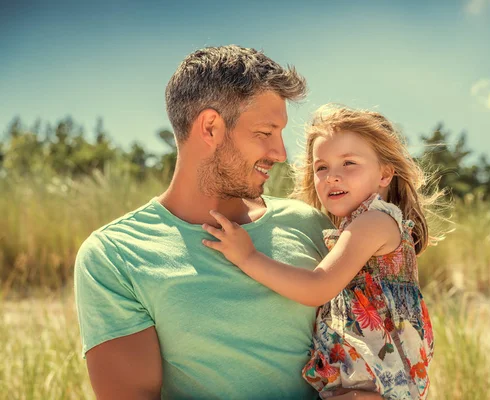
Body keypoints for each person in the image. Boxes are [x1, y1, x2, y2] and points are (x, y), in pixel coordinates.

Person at [74, 46, 382, 399]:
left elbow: (373, 344)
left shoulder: (309, 225)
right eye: (265, 133)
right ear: (210, 127)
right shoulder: (114, 255)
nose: (281, 154)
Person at [202, 104, 440, 399]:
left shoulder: (374, 222)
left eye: (349, 163)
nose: (332, 176)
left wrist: (248, 257)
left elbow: (318, 287)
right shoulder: (354, 226)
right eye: (321, 167)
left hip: (379, 388)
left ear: (384, 174)